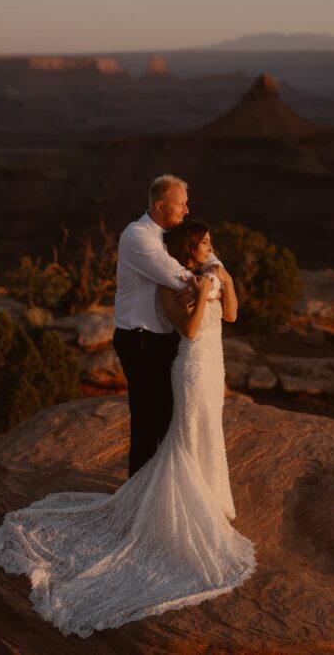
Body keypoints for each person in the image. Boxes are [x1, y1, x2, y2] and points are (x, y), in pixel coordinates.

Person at [0, 219, 255, 638]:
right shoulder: (172, 281)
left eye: (211, 243)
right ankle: (178, 505)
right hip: (192, 362)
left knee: (209, 426)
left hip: (215, 364)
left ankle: (210, 495)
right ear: (190, 246)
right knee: (185, 431)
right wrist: (202, 295)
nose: (211, 247)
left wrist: (227, 280)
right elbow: (188, 329)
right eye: (205, 243)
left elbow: (234, 314)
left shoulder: (209, 271)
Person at [111, 174, 214, 478]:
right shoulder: (138, 237)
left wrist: (211, 278)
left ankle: (160, 487)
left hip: (163, 340)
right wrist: (203, 285)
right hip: (140, 340)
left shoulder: (170, 234)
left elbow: (205, 252)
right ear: (159, 205)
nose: (186, 210)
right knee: (147, 421)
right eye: (181, 204)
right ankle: (138, 498)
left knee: (169, 419)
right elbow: (178, 277)